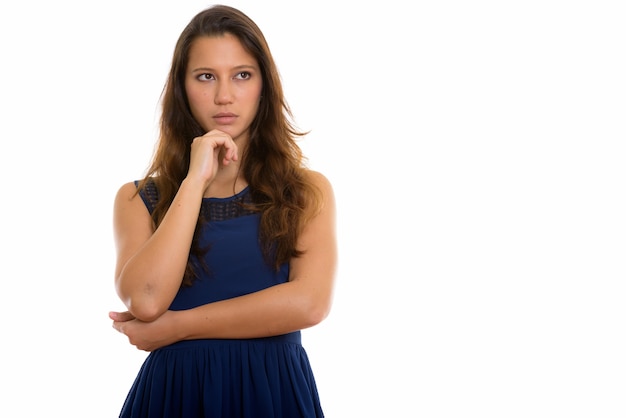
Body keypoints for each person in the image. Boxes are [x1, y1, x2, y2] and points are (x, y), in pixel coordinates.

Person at [108, 4, 337, 417]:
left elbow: (309, 303)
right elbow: (144, 300)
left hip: (274, 394)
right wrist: (194, 181)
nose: (224, 95)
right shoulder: (140, 198)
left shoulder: (303, 191)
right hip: (173, 398)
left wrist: (180, 326)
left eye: (242, 75)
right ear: (182, 87)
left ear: (264, 86)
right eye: (206, 76)